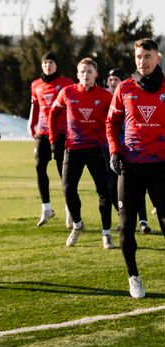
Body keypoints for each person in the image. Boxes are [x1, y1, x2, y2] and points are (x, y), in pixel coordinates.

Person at [106, 38, 165, 299]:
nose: (143, 61)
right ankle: (134, 277)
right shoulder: (125, 88)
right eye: (139, 56)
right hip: (130, 167)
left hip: (161, 167)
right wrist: (114, 150)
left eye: (147, 56)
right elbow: (111, 122)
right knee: (126, 226)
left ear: (158, 58)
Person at [49, 57, 113, 249]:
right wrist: (53, 139)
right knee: (68, 189)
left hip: (97, 150)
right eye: (82, 71)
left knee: (104, 192)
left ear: (96, 74)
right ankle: (77, 225)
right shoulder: (67, 92)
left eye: (89, 71)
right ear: (77, 74)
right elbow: (53, 112)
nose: (86, 75)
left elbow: (116, 119)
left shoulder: (105, 96)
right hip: (73, 149)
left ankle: (106, 233)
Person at [28, 52, 74, 227]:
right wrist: (31, 124)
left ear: (56, 65)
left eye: (51, 62)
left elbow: (73, 106)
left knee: (64, 172)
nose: (48, 65)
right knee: (40, 167)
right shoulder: (36, 85)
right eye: (45, 63)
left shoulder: (66, 82)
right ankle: (46, 208)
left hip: (62, 133)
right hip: (42, 133)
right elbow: (35, 107)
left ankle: (70, 210)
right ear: (42, 65)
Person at [106, 68, 152, 235]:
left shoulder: (131, 93)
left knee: (139, 188)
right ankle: (123, 217)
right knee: (112, 188)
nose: (113, 82)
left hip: (133, 152)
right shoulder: (104, 98)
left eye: (116, 79)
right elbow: (108, 123)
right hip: (112, 151)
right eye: (110, 79)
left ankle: (143, 221)